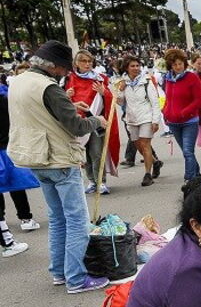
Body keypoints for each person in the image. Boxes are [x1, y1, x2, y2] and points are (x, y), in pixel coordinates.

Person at [8, 42, 109, 291]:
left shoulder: (19, 80)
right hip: (58, 158)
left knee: (57, 219)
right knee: (77, 221)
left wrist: (69, 106)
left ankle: (59, 272)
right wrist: (97, 120)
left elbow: (36, 111)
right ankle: (75, 278)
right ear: (53, 66)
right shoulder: (49, 87)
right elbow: (76, 127)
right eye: (64, 68)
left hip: (34, 157)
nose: (66, 73)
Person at [66, 49, 118, 194]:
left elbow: (113, 98)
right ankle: (92, 181)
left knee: (97, 152)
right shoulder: (69, 79)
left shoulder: (100, 78)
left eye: (89, 61)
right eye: (83, 61)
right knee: (86, 154)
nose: (87, 64)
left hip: (96, 120)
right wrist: (66, 95)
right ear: (76, 63)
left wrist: (103, 92)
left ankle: (101, 182)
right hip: (78, 122)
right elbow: (61, 102)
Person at [113, 56, 162, 186]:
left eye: (137, 66)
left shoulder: (146, 81)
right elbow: (120, 102)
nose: (135, 68)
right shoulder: (123, 83)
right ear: (126, 68)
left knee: (145, 144)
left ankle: (147, 175)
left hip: (146, 117)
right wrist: (120, 90)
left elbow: (155, 102)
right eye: (132, 66)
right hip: (131, 119)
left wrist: (155, 120)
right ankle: (155, 162)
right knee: (138, 144)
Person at [0, 87, 38, 257]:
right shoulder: (5, 100)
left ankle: (24, 220)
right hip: (5, 149)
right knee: (15, 184)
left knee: (15, 184)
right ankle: (8, 239)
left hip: (6, 148)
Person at [162, 48, 201, 183]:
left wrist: (184, 112)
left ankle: (189, 179)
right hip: (173, 122)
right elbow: (168, 98)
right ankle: (197, 175)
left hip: (189, 121)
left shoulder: (192, 77)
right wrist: (165, 111)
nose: (178, 67)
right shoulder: (167, 79)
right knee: (187, 153)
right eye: (174, 64)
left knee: (188, 151)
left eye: (180, 63)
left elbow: (199, 100)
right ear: (170, 65)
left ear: (184, 63)